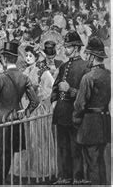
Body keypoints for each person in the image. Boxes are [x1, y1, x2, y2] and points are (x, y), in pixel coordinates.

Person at [0, 41, 39, 184]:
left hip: (1, 118)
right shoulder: (24, 77)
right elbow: (35, 102)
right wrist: (25, 113)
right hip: (15, 118)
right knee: (8, 151)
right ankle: (2, 178)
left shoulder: (1, 77)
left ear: (5, 59)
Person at [50, 30, 89, 185]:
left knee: (75, 147)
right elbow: (55, 88)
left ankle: (77, 177)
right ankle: (65, 177)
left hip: (75, 112)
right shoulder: (64, 65)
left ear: (76, 47)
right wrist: (54, 101)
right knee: (62, 147)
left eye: (68, 46)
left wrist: (70, 90)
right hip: (61, 112)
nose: (65, 49)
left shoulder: (86, 66)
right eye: (65, 46)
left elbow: (87, 95)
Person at [11, 45, 57, 178]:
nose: (28, 58)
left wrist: (38, 91)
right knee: (27, 138)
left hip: (38, 109)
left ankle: (41, 168)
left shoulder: (42, 71)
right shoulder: (24, 71)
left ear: (36, 57)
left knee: (38, 138)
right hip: (26, 107)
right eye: (26, 56)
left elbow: (51, 88)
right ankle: (28, 167)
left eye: (31, 56)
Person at [73, 36, 111, 185]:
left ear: (94, 56)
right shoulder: (109, 75)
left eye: (88, 54)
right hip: (105, 122)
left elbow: (79, 105)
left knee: (91, 164)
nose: (86, 57)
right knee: (101, 161)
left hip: (90, 125)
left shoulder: (88, 78)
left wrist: (76, 121)